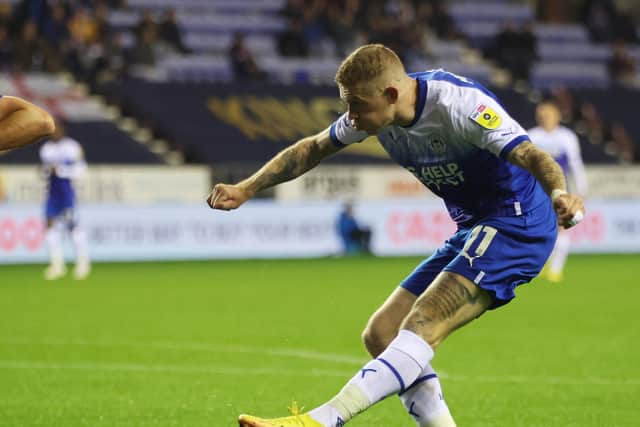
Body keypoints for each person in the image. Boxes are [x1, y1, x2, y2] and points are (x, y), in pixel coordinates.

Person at [206, 44, 584, 427]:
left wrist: (559, 194)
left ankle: (320, 420)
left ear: (390, 95)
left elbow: (532, 155)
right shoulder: (372, 115)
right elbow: (313, 148)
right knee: (382, 333)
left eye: (357, 106)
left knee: (424, 321)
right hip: (475, 227)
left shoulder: (459, 106)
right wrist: (248, 188)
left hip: (516, 221)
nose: (350, 116)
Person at [528, 100, 588, 283]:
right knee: (537, 230)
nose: (544, 118)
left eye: (548, 114)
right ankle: (540, 264)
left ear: (557, 116)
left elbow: (575, 164)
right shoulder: (532, 136)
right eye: (541, 114)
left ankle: (556, 269)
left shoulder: (566, 137)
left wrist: (581, 189)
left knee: (561, 228)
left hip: (559, 190)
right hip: (535, 191)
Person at [40, 121, 91, 280]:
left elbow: (82, 170)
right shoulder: (46, 149)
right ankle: (57, 265)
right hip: (52, 193)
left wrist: (61, 170)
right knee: (49, 226)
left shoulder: (72, 147)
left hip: (66, 193)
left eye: (57, 130)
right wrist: (45, 172)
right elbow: (44, 170)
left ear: (62, 130)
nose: (55, 133)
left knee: (72, 226)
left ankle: (82, 262)